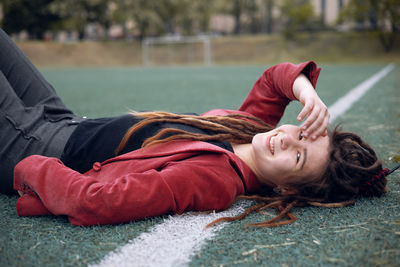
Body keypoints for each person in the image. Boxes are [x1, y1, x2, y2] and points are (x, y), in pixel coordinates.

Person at [0, 28, 389, 228]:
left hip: (40, 144)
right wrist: (306, 92)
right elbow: (274, 81)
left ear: (288, 188)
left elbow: (100, 202)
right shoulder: (248, 131)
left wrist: (33, 165)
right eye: (300, 133)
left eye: (298, 157)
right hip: (63, 120)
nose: (285, 140)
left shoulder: (213, 179)